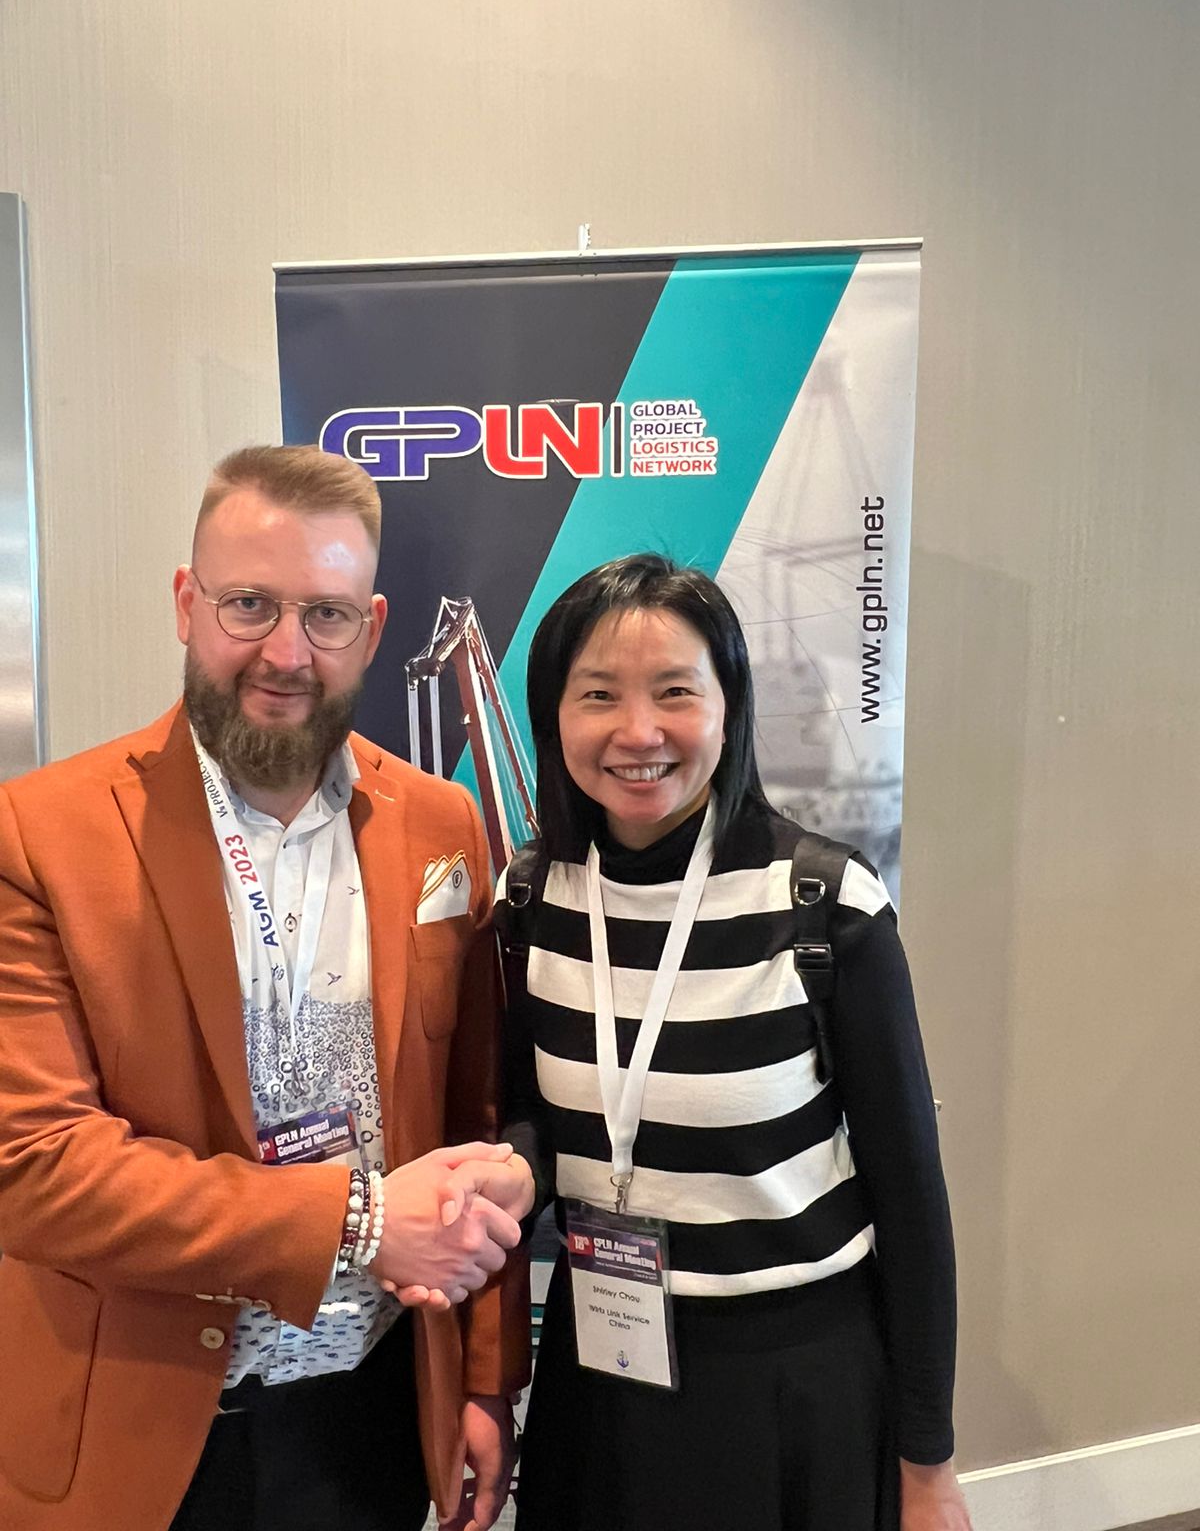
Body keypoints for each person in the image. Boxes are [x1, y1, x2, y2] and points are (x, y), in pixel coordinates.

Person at [0, 445, 535, 1531]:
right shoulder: (43, 835)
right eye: (249, 604)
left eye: (325, 615)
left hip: (375, 1416)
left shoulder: (442, 826)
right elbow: (35, 1166)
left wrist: (486, 1379)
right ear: (186, 604)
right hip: (143, 1429)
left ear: (372, 630)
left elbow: (472, 1119)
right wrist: (358, 1222)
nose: (286, 653)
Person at [496, 553, 973, 1531]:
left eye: (675, 691)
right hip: (601, 1367)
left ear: (729, 707)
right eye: (599, 694)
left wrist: (927, 1464)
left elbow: (912, 1199)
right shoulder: (532, 899)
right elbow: (530, 1118)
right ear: (554, 715)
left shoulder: (822, 902)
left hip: (793, 1377)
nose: (639, 732)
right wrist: (512, 1171)